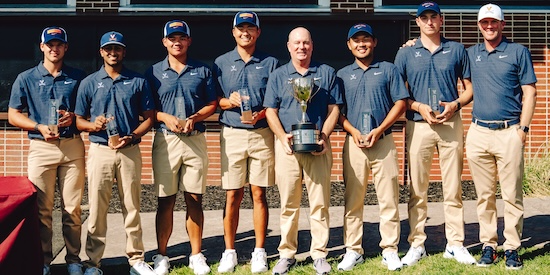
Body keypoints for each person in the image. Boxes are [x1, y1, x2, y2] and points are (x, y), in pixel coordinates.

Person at [393, 1, 476, 266]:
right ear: (417, 22)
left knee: (453, 187)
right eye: (424, 18)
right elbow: (398, 95)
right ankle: (417, 244)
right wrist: (417, 106)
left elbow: (469, 88)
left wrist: (456, 105)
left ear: (441, 21)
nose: (429, 22)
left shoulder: (457, 50)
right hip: (418, 125)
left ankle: (456, 243)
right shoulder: (405, 53)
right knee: (418, 189)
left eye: (434, 17)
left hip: (450, 124)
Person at [74, 31, 156, 275]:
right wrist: (93, 125)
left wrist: (133, 136)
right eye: (108, 49)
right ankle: (92, 262)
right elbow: (79, 121)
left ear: (123, 52)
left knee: (132, 206)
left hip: (130, 150)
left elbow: (149, 118)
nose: (113, 53)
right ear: (101, 52)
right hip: (101, 150)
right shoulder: (89, 82)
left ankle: (136, 258)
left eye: (117, 48)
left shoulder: (138, 80)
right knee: (98, 209)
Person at [8, 26, 86, 275]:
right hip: (42, 147)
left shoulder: (78, 76)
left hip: (72, 145)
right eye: (49, 44)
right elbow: (12, 114)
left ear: (66, 47)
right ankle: (43, 262)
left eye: (59, 44)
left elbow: (87, 113)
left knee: (72, 208)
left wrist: (73, 117)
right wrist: (38, 126)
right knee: (42, 210)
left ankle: (74, 260)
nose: (54, 48)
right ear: (42, 47)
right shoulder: (26, 77)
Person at [264, 26, 342, 275]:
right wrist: (281, 137)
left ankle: (319, 254)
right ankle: (287, 253)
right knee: (288, 203)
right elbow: (270, 111)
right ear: (288, 46)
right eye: (296, 43)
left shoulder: (327, 73)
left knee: (319, 203)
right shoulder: (278, 75)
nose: (301, 47)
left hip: (318, 147)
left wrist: (325, 136)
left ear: (312, 45)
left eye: (306, 43)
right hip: (287, 148)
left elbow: (334, 109)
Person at [466, 3, 537, 270]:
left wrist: (524, 129)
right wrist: (409, 43)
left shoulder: (518, 52)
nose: (489, 26)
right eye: (484, 22)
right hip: (478, 132)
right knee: (484, 196)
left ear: (502, 24)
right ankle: (488, 245)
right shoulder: (471, 53)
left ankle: (512, 248)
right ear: (479, 25)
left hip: (509, 132)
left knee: (511, 195)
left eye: (493, 22)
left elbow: (530, 92)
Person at [145, 20, 217, 275]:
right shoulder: (153, 72)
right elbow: (147, 109)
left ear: (189, 41)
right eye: (172, 38)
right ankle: (162, 255)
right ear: (164, 41)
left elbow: (212, 103)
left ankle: (196, 255)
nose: (177, 42)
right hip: (166, 140)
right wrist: (165, 117)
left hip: (195, 139)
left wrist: (195, 118)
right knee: (165, 199)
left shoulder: (202, 70)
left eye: (181, 38)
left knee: (194, 198)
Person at [336, 23, 408, 272]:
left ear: (374, 42)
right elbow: (338, 112)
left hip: (383, 142)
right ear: (349, 45)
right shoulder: (342, 74)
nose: (361, 44)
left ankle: (389, 249)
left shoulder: (388, 70)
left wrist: (379, 130)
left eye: (366, 39)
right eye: (356, 40)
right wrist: (354, 132)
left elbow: (401, 103)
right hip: (354, 144)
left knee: (388, 198)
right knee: (353, 200)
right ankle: (353, 250)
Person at [213, 11, 279, 274]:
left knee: (259, 193)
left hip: (262, 133)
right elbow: (214, 99)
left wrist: (262, 113)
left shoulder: (271, 62)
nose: (245, 32)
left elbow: (276, 99)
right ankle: (229, 251)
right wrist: (230, 102)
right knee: (232, 194)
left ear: (258, 32)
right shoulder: (220, 62)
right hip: (232, 133)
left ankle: (259, 251)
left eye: (250, 28)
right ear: (233, 32)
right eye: (241, 28)